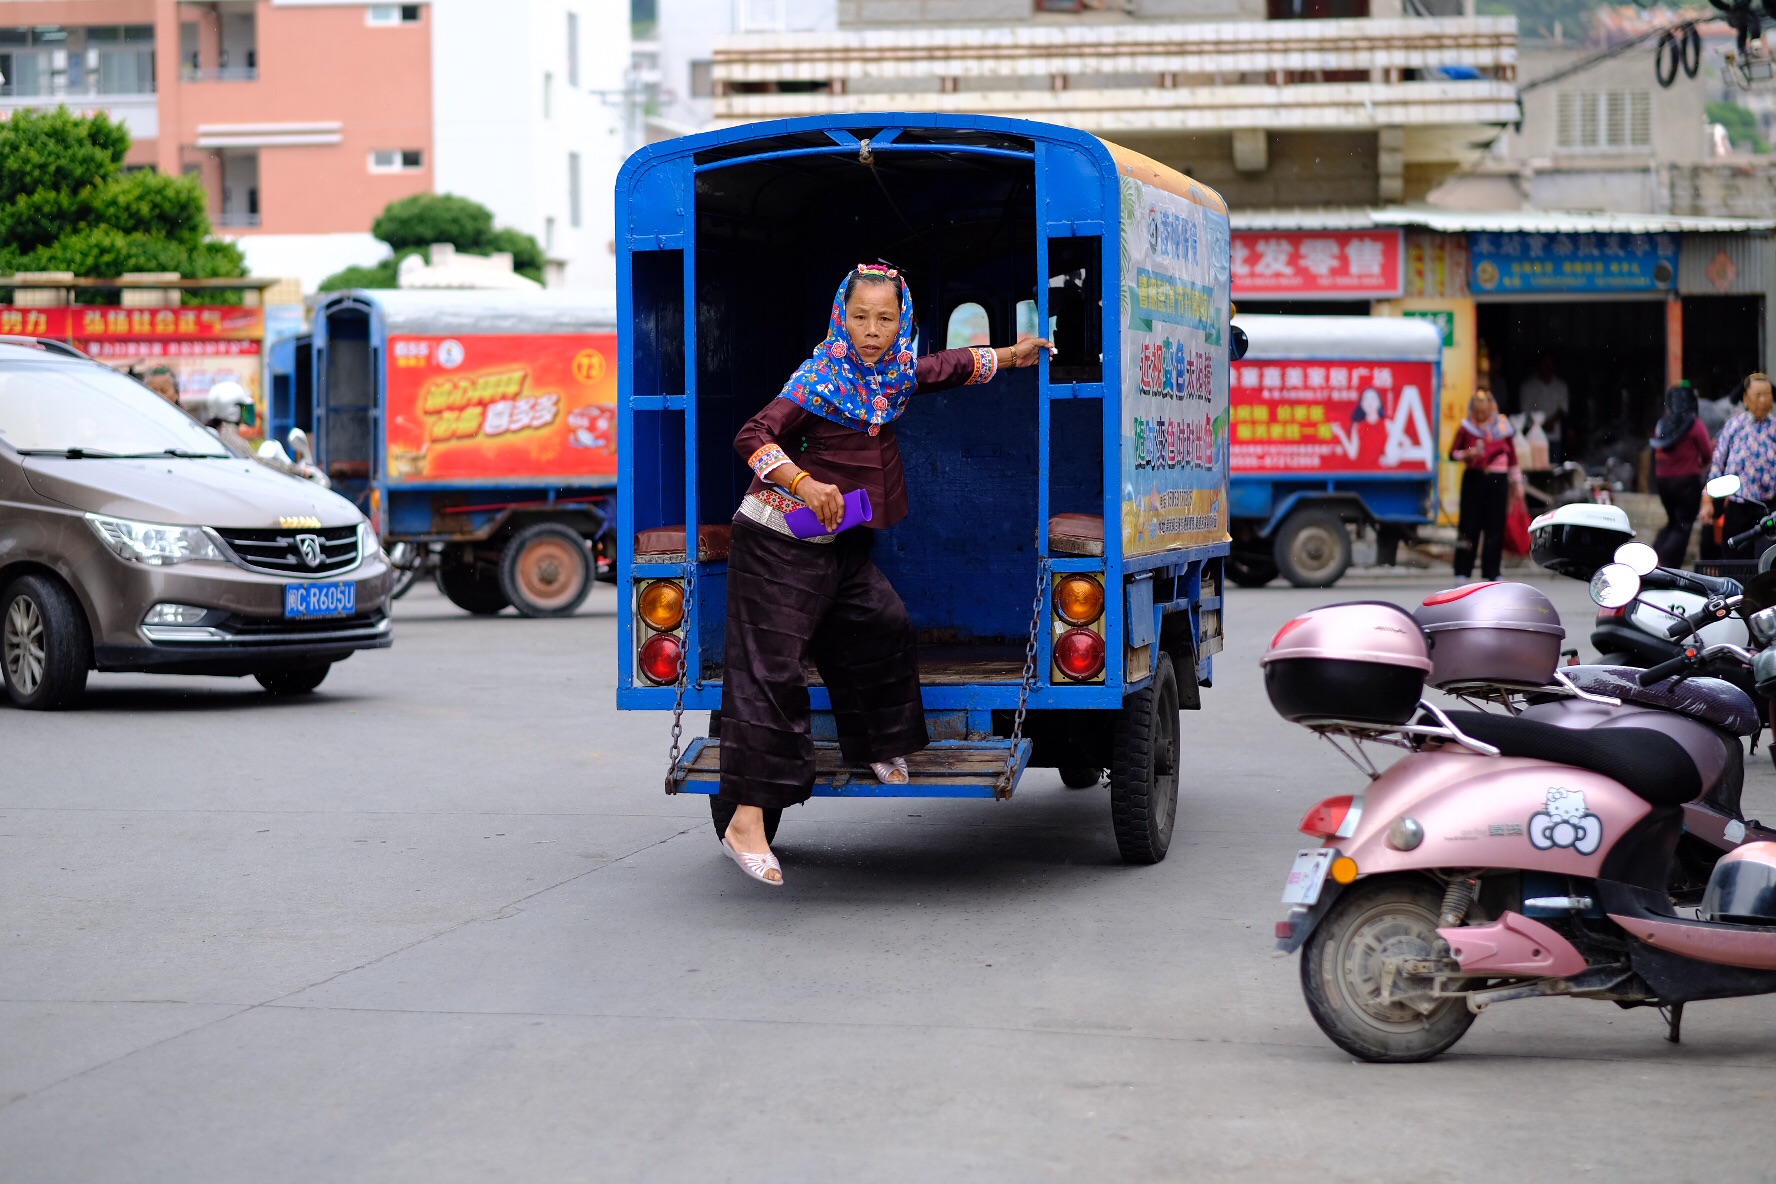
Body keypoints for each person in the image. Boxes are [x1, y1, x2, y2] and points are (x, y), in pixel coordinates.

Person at [717, 263, 1052, 886]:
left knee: (883, 624)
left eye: (885, 318)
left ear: (903, 322)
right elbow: (752, 435)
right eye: (861, 316)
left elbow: (942, 369)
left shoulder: (892, 372)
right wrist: (803, 480)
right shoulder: (819, 377)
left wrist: (1011, 355)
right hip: (778, 541)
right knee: (772, 674)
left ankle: (875, 744)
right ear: (841, 316)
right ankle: (747, 819)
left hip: (839, 542)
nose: (871, 331)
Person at [1448, 390, 1520, 582]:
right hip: (1474, 479)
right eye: (1477, 412)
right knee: (1468, 525)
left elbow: (1512, 457)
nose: (1480, 417)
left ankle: (1492, 570)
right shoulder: (1466, 428)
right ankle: (1462, 569)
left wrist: (1517, 482)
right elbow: (1453, 454)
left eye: (1484, 412)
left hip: (1498, 480)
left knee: (1495, 525)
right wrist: (1468, 453)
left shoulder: (1503, 427)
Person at [1702, 372, 1776, 560]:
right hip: (1739, 506)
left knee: (1768, 561)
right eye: (1757, 395)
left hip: (1770, 507)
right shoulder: (1734, 427)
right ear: (1745, 398)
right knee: (1736, 559)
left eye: (1767, 395)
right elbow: (1718, 463)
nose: (1762, 401)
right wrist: (1708, 500)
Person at [1650, 383, 1713, 568]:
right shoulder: (1695, 424)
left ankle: (1651, 558)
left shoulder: (1663, 423)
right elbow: (1707, 453)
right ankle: (1665, 564)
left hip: (1662, 482)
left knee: (1672, 522)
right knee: (1683, 525)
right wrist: (1699, 463)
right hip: (1686, 482)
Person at [1518, 356, 1569, 461]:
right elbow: (1525, 410)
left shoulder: (1560, 386)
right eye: (1545, 364)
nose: (1547, 368)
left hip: (1553, 435)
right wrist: (1540, 425)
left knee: (1554, 469)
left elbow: (1563, 408)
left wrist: (1550, 422)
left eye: (1550, 365)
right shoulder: (1529, 386)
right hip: (1532, 437)